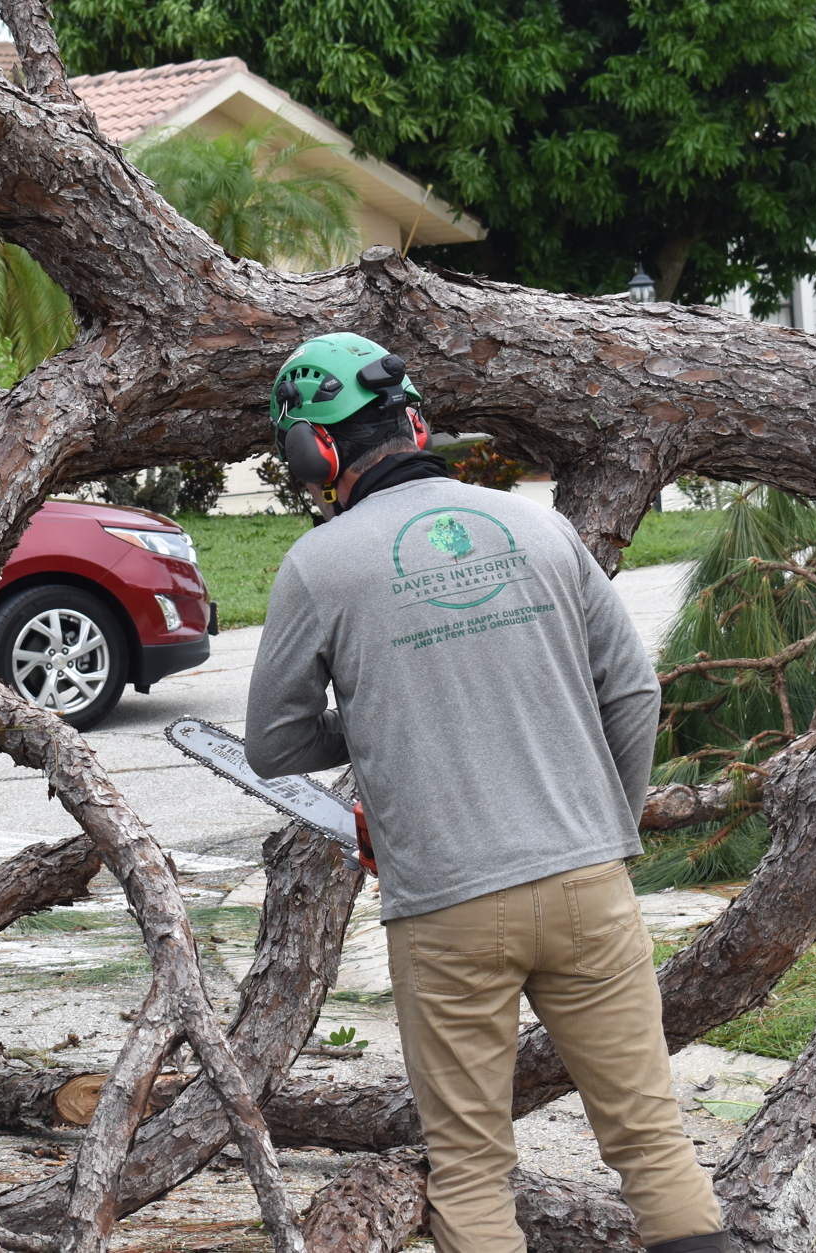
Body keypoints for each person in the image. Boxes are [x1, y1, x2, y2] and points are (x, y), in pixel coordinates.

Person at [245, 333, 728, 1253]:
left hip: (449, 909)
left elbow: (273, 743)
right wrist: (607, 830)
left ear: (319, 451)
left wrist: (381, 717)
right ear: (418, 421)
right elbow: (632, 689)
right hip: (590, 882)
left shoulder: (321, 565)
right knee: (652, 1142)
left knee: (470, 1167)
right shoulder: (542, 527)